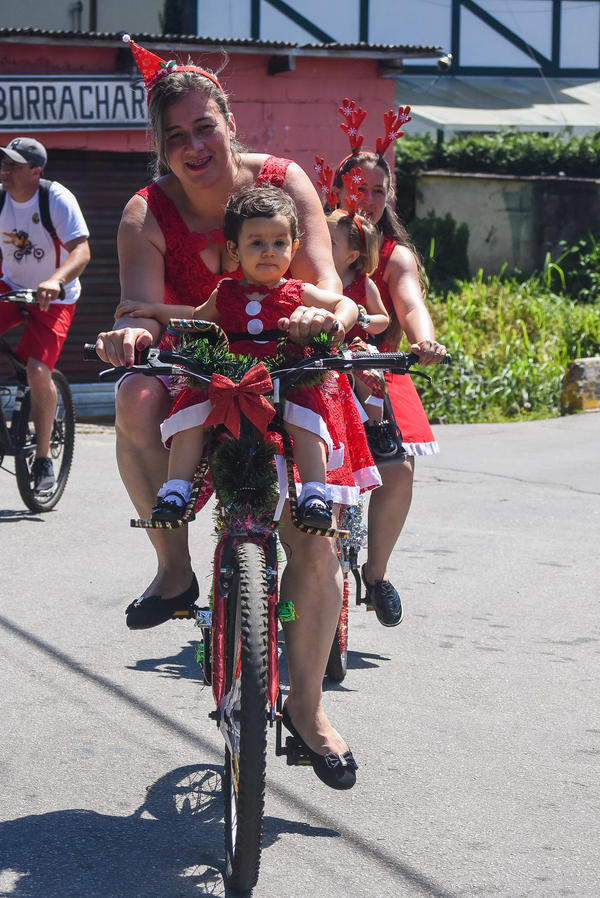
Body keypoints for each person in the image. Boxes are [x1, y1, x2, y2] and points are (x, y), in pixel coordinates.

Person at [95, 37, 375, 789]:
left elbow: (327, 288)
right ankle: (175, 568)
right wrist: (132, 332)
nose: (192, 146)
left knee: (313, 544)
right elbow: (142, 311)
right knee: (134, 394)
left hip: (293, 374)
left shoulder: (284, 187)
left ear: (229, 119)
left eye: (203, 127)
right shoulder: (145, 211)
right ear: (160, 147)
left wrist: (332, 320)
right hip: (199, 381)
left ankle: (309, 710)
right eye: (174, 136)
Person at [119, 185, 360, 530]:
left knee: (306, 413)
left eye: (279, 243)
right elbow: (197, 315)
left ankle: (314, 493)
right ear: (234, 249)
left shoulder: (297, 291)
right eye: (256, 243)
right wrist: (155, 310)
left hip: (285, 374)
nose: (268, 252)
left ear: (293, 248)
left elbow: (344, 304)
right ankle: (175, 489)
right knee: (192, 406)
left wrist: (338, 323)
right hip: (233, 377)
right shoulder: (226, 292)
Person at [333, 104, 447, 629]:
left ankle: (375, 575)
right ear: (336, 193)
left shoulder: (393, 256)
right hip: (317, 367)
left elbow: (409, 304)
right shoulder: (316, 242)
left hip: (378, 369)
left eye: (379, 191)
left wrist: (424, 342)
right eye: (359, 190)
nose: (369, 201)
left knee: (399, 468)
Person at [0, 137, 90, 492]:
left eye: (13, 166)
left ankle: (41, 460)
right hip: (11, 286)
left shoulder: (55, 198)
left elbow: (81, 251)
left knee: (39, 371)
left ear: (35, 172)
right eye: (3, 163)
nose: (4, 170)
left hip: (54, 297)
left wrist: (55, 280)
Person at [326, 207, 399, 459]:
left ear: (352, 255)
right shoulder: (314, 277)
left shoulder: (362, 283)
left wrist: (365, 318)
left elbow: (383, 320)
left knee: (369, 373)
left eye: (331, 243)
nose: (323, 246)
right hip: (323, 344)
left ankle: (377, 426)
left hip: (353, 344)